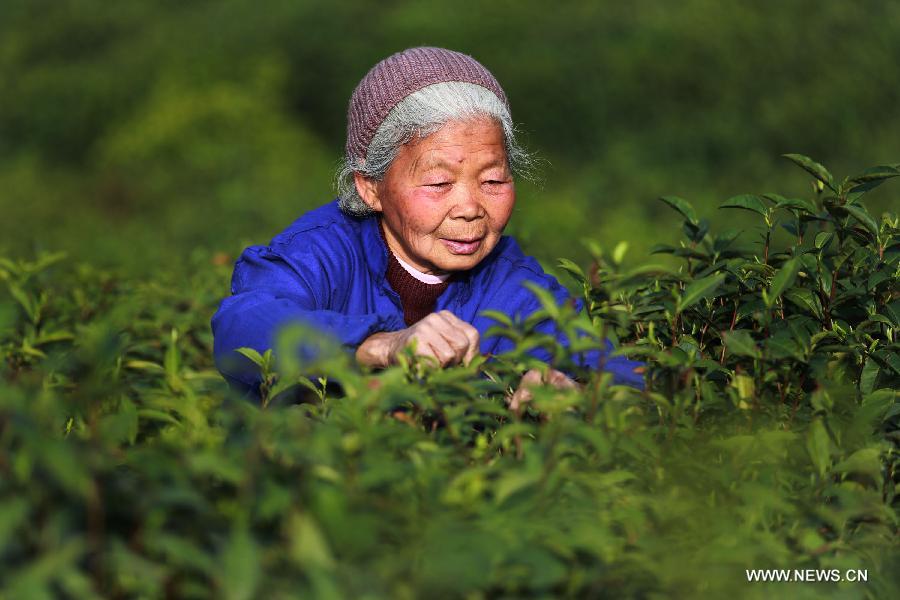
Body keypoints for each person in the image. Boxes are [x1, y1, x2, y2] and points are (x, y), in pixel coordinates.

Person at [211, 46, 645, 405]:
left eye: (493, 180)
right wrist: (380, 345)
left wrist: (578, 393)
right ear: (371, 188)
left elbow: (627, 380)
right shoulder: (322, 251)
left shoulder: (517, 288)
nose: (470, 208)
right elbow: (241, 328)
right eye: (439, 183)